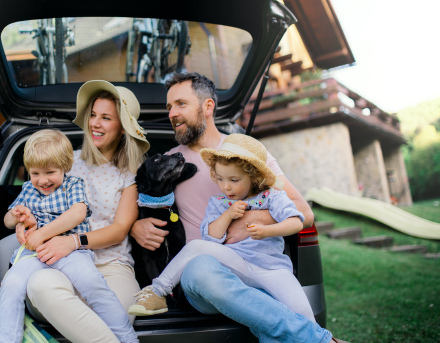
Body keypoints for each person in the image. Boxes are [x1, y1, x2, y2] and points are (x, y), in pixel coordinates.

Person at [130, 72, 346, 343]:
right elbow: (138, 205)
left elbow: (304, 211)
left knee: (272, 315)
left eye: (181, 104)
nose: (172, 113)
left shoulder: (250, 154)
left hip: (261, 266)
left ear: (208, 107)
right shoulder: (169, 163)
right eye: (169, 107)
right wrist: (135, 226)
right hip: (208, 279)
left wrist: (252, 219)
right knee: (200, 269)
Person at [128, 133, 314, 323]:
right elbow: (211, 238)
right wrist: (228, 215)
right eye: (220, 179)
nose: (226, 187)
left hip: (272, 268)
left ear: (254, 177)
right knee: (196, 246)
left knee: (304, 315)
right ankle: (157, 291)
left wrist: (268, 230)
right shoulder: (219, 202)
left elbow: (297, 222)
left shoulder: (272, 197)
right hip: (235, 264)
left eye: (234, 180)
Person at [23, 81, 150, 343]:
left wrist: (72, 241)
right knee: (38, 286)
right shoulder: (66, 162)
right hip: (64, 264)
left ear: (123, 127)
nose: (95, 123)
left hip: (112, 266)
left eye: (106, 117)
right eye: (92, 115)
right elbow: (35, 200)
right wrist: (21, 222)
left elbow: (119, 230)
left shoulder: (131, 172)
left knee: (117, 313)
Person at [0, 129, 138, 343]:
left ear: (65, 168)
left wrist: (42, 233)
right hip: (35, 256)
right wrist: (16, 216)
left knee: (93, 284)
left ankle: (127, 338)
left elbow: (78, 213)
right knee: (11, 283)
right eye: (35, 173)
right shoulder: (28, 189)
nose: (42, 180)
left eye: (49, 172)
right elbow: (7, 220)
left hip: (72, 253)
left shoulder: (73, 185)